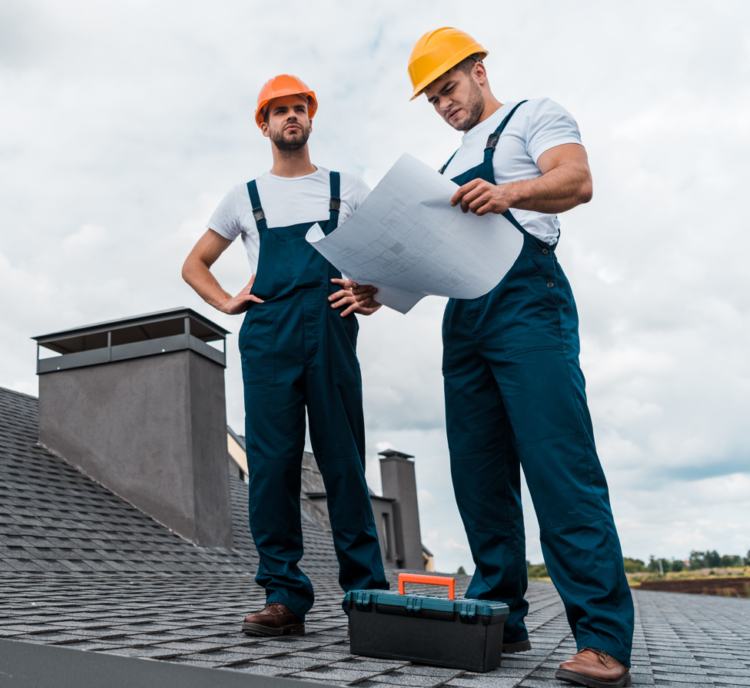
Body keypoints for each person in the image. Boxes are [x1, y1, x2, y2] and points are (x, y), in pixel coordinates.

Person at [352, 28, 634, 688]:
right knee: (480, 479)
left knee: (559, 467)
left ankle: (601, 637)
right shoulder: (445, 171)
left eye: (449, 89)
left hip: (526, 302)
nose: (445, 106)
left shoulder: (533, 116)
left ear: (479, 70)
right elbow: (427, 260)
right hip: (465, 320)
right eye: (433, 100)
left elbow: (576, 180)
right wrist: (377, 289)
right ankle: (502, 618)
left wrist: (509, 193)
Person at [182, 74, 389, 637]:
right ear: (264, 124)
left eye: (299, 108)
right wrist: (226, 300)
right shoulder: (244, 198)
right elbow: (193, 264)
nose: (291, 117)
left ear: (310, 118)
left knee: (343, 461)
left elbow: (391, 258)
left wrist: (372, 293)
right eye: (280, 111)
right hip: (269, 335)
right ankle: (284, 596)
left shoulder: (348, 189)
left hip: (331, 328)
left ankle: (366, 593)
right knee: (271, 467)